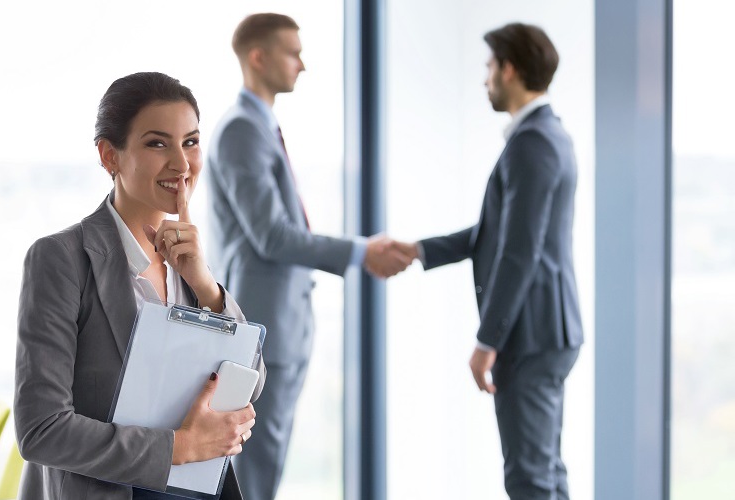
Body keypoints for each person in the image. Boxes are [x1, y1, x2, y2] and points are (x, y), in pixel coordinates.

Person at [14, 72, 266, 500]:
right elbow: (42, 430)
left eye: (190, 141)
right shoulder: (61, 259)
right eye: (157, 143)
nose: (182, 164)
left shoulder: (188, 264)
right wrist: (179, 448)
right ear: (109, 156)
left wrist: (205, 285)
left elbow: (253, 382)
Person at [205, 13, 412, 500]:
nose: (303, 64)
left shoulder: (260, 126)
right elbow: (273, 236)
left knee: (262, 466)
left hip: (279, 329)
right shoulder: (241, 130)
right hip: (261, 332)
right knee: (253, 471)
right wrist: (363, 252)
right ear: (258, 57)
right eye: (292, 52)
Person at [397, 23, 584, 500]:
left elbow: (520, 251)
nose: (484, 80)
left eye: (488, 67)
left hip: (531, 336)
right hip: (547, 332)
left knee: (528, 478)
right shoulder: (547, 135)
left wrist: (487, 340)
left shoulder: (534, 144)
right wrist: (418, 250)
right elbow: (493, 235)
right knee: (545, 472)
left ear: (510, 69)